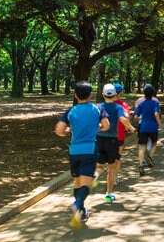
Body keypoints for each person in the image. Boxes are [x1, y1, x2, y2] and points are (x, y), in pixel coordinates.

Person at [55, 81, 109, 229]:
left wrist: (68, 131)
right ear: (91, 95)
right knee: (87, 183)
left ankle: (82, 210)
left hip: (74, 151)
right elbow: (106, 126)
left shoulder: (70, 111)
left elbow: (59, 130)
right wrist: (96, 127)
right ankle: (77, 204)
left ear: (75, 95)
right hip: (89, 150)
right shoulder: (97, 109)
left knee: (77, 183)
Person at [96, 83, 135, 203]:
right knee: (112, 167)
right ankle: (108, 194)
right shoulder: (118, 107)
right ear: (115, 95)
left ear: (102, 94)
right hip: (112, 141)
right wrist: (130, 127)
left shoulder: (98, 107)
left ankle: (94, 177)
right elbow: (123, 118)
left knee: (100, 166)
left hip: (99, 140)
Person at [134, 84, 161, 176]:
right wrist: (159, 123)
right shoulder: (155, 103)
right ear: (153, 93)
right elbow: (156, 114)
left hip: (143, 127)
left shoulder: (141, 104)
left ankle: (141, 165)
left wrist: (142, 117)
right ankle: (149, 157)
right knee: (154, 143)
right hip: (153, 127)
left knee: (142, 146)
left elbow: (136, 116)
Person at [112, 83, 131, 186]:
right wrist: (128, 127)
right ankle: (115, 177)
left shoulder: (105, 104)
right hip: (119, 135)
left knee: (109, 157)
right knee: (117, 157)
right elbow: (127, 117)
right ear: (119, 93)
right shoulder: (123, 105)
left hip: (105, 136)